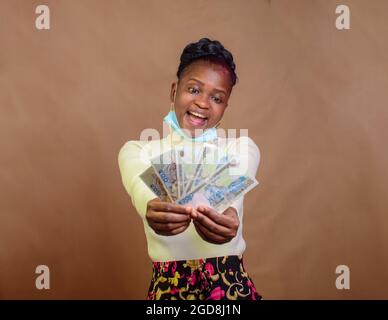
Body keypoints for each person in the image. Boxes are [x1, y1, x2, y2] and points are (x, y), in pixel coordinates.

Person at [118, 38, 262, 300]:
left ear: (225, 105)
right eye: (194, 90)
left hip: (230, 286)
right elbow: (143, 196)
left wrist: (230, 216)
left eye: (217, 97)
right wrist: (152, 207)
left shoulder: (241, 147)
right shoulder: (138, 151)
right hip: (169, 288)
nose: (203, 103)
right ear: (174, 91)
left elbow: (234, 193)